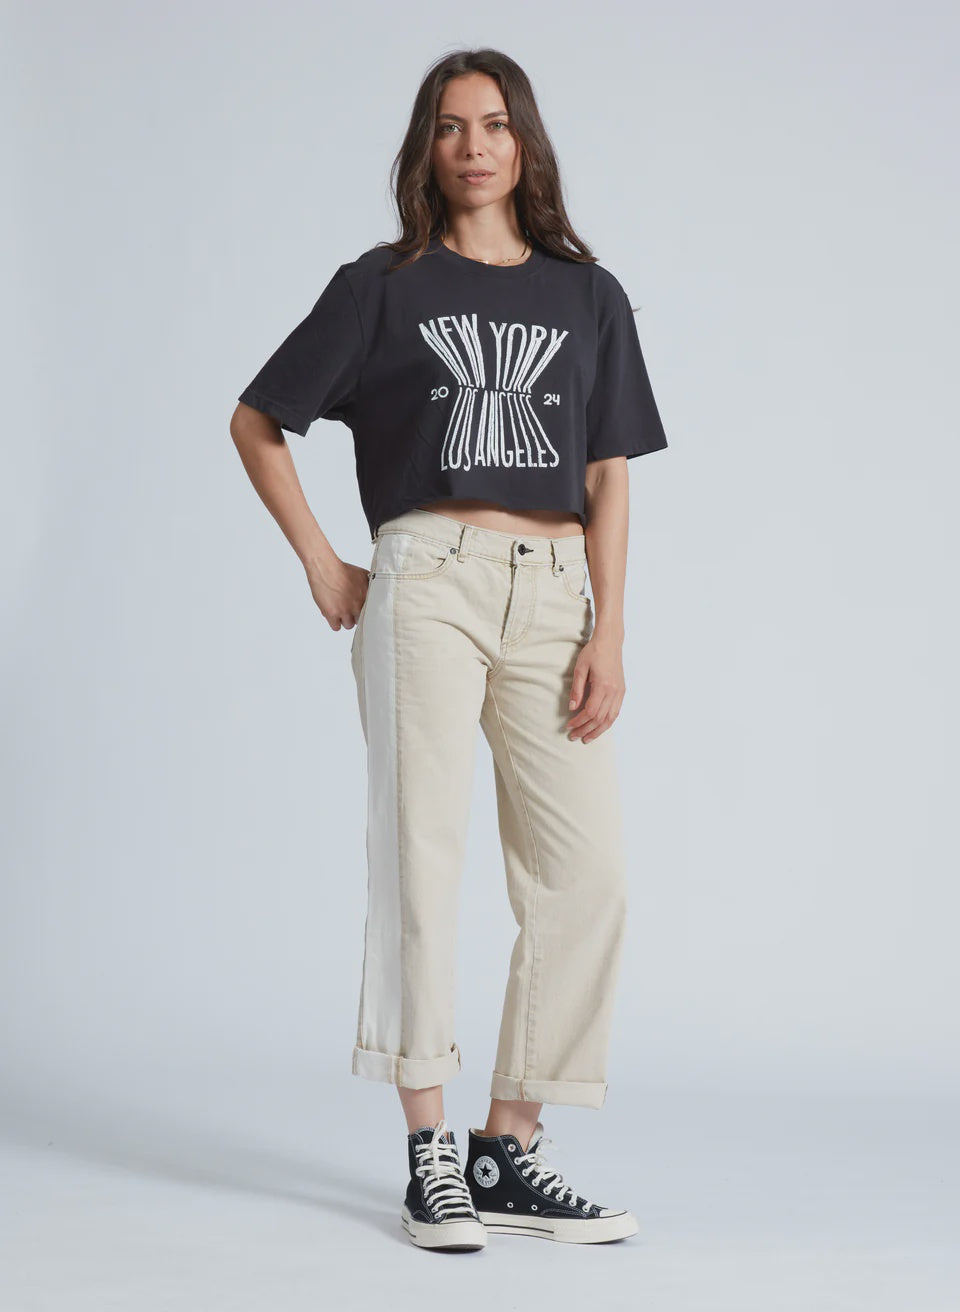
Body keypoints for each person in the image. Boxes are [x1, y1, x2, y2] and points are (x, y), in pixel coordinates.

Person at [230, 48, 668, 1252]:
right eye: (448, 126)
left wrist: (610, 628)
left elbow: (609, 472)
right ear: (426, 150)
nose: (473, 145)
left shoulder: (589, 296)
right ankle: (431, 1152)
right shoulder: (382, 286)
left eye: (493, 123)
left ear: (525, 143)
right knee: (421, 860)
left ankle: (509, 1146)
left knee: (587, 879)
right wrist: (327, 562)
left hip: (556, 589)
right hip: (424, 582)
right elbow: (258, 419)